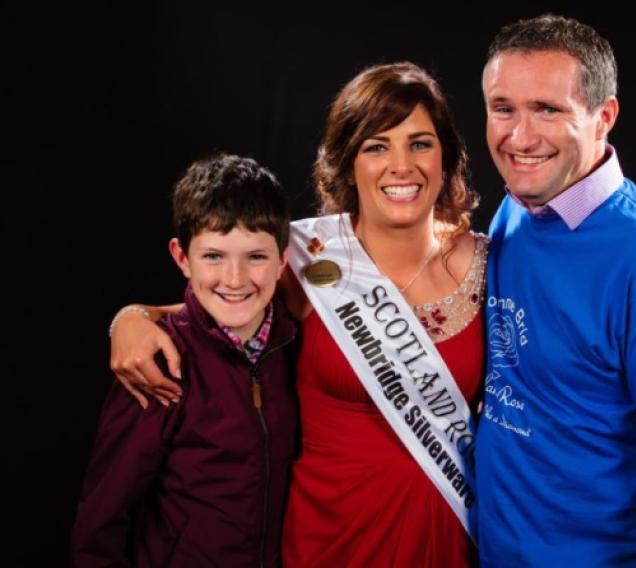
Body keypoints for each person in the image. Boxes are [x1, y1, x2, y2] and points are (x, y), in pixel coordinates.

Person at [106, 62, 485, 567]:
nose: (402, 165)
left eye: (420, 143)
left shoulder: (489, 263)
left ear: (447, 157)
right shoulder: (309, 254)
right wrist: (132, 317)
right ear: (349, 163)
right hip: (328, 534)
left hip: (446, 531)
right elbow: (222, 309)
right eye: (376, 146)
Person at [475, 14, 636, 567]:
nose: (519, 137)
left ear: (604, 117)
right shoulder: (516, 209)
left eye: (548, 109)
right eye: (504, 108)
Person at [71, 153, 297, 567]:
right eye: (213, 256)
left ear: (283, 259)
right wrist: (130, 316)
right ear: (181, 258)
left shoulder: (294, 345)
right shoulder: (156, 364)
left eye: (256, 257)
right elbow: (101, 519)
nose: (234, 279)